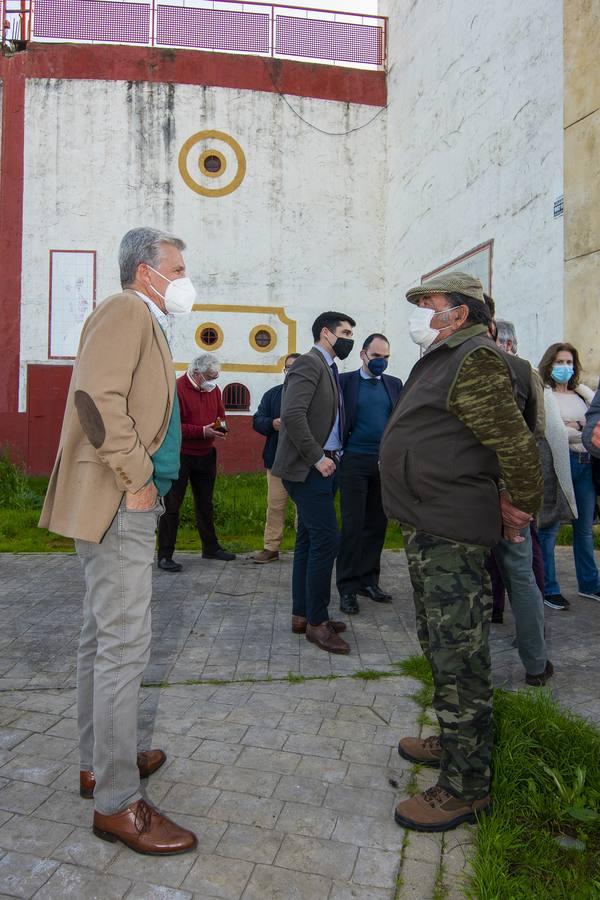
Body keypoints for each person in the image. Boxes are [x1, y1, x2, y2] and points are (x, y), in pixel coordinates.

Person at [39, 227, 197, 854]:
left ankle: (98, 763)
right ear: (144, 270)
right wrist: (136, 479)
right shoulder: (125, 308)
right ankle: (117, 802)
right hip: (119, 502)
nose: (185, 277)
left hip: (120, 503)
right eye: (177, 267)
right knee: (124, 648)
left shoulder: (144, 317)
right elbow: (94, 399)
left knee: (102, 640)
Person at [379, 272, 542, 832]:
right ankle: (452, 741)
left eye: (429, 302)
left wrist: (520, 505)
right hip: (430, 521)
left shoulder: (473, 357)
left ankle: (465, 787)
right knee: (440, 641)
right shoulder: (444, 355)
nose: (421, 310)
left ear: (461, 312)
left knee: (460, 655)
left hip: (451, 529)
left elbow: (515, 442)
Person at [272, 311, 356, 655]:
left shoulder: (329, 368)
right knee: (327, 539)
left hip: (326, 465)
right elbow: (292, 415)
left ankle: (302, 614)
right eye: (346, 332)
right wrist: (316, 456)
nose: (350, 337)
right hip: (309, 468)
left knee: (309, 539)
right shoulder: (309, 364)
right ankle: (317, 624)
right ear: (326, 333)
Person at [485, 316, 552, 686]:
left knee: (475, 578)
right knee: (521, 576)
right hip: (510, 486)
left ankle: (469, 669)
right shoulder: (524, 370)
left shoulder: (457, 365)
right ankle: (537, 664)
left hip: (475, 490)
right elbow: (535, 429)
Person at [336, 333, 402, 614]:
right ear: (363, 355)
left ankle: (368, 581)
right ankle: (347, 587)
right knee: (352, 525)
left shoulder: (394, 384)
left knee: (377, 524)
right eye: (376, 356)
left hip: (382, 464)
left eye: (386, 357)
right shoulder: (345, 382)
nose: (381, 362)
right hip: (353, 461)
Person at [157, 353, 235, 571]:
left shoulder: (214, 389)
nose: (213, 382)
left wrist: (220, 429)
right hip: (180, 455)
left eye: (216, 377)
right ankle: (164, 555)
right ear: (196, 373)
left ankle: (210, 548)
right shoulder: (177, 389)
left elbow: (220, 415)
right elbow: (173, 426)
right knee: (171, 506)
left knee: (205, 504)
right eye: (210, 377)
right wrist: (202, 431)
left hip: (206, 454)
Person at [537, 342, 599, 608]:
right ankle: (548, 588)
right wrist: (579, 428)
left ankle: (590, 585)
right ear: (549, 364)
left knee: (584, 530)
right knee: (549, 528)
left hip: (586, 465)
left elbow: (591, 428)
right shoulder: (544, 394)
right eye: (560, 362)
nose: (565, 367)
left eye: (569, 363)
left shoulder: (584, 395)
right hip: (559, 466)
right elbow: (550, 431)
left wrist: (575, 426)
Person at [251, 353, 300, 562]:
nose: (292, 371)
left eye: (296, 368)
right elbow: (257, 420)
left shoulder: (313, 394)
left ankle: (304, 547)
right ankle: (271, 547)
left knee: (304, 508)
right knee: (275, 505)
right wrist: (272, 424)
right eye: (289, 367)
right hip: (276, 461)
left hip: (303, 462)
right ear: (284, 370)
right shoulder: (272, 394)